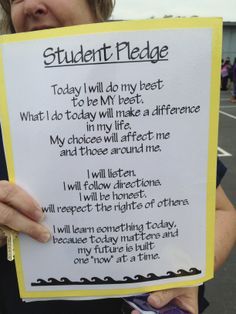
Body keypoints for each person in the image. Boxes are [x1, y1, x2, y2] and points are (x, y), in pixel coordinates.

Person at [0, 1, 236, 314]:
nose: (30, 5)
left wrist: (190, 274)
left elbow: (222, 212)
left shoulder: (158, 99)